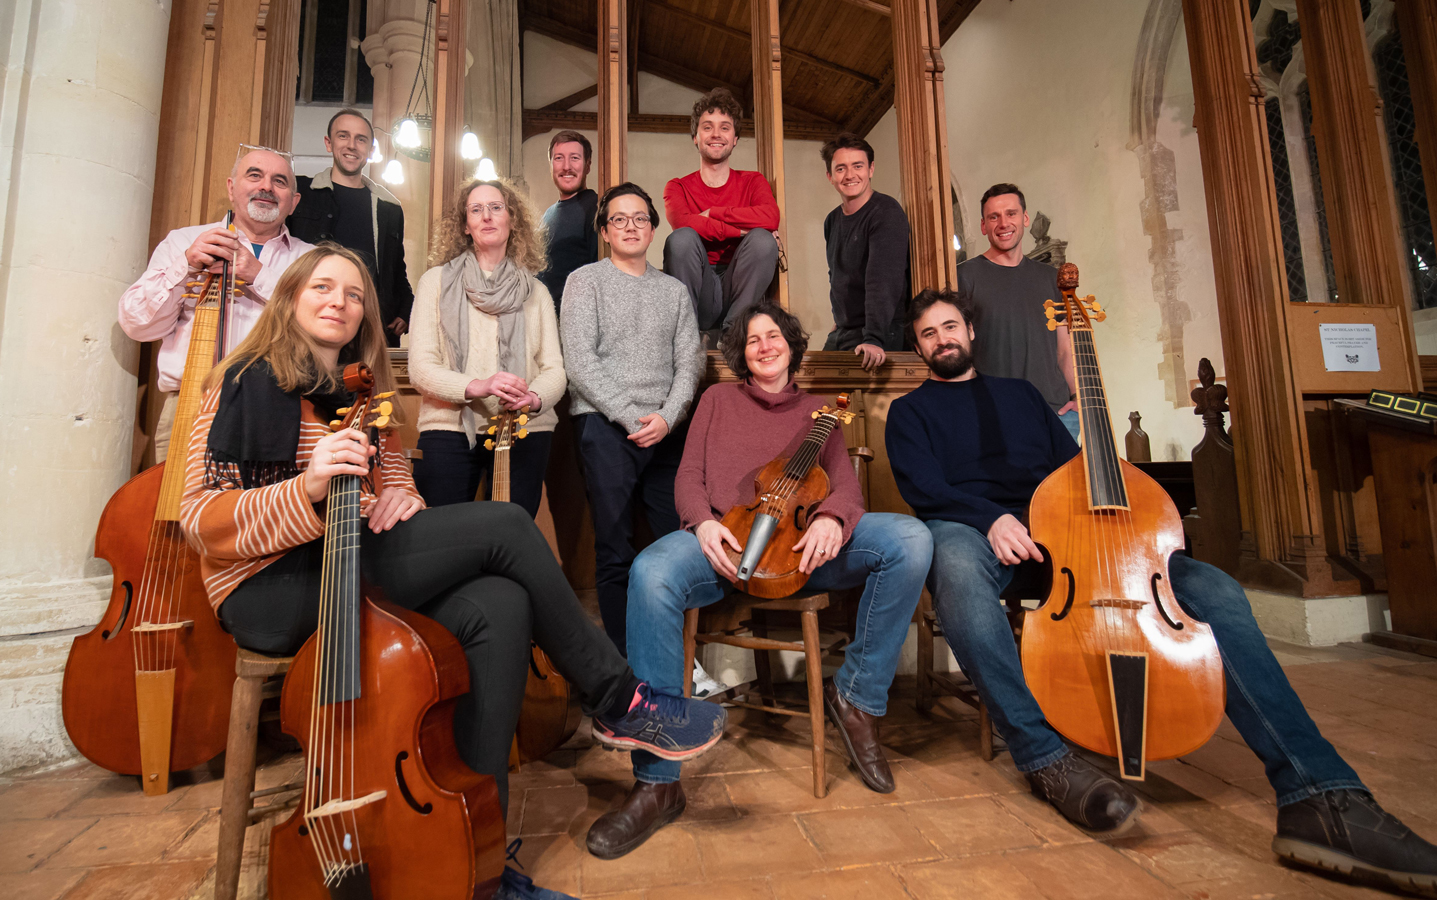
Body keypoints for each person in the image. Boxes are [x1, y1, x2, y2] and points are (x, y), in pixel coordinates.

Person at [179, 243, 726, 858]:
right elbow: (199, 520)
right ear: (290, 298)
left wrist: (402, 501)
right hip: (268, 589)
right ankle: (619, 699)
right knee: (507, 525)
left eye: (355, 294)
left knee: (500, 603)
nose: (341, 302)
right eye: (323, 289)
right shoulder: (239, 382)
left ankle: (478, 856)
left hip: (351, 563)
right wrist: (306, 488)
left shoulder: (364, 397)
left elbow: (396, 485)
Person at [885, 288, 1437, 896]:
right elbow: (924, 488)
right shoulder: (911, 413)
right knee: (957, 572)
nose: (943, 339)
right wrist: (991, 517)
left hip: (1061, 531)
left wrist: (1103, 521)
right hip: (975, 529)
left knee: (1215, 590)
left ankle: (1318, 794)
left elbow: (1077, 467)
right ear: (918, 347)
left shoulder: (1019, 396)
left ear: (971, 331)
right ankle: (1045, 757)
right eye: (929, 333)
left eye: (950, 326)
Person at [586, 302, 932, 860]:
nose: (765, 345)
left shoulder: (822, 412)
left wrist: (830, 517)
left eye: (774, 336)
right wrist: (701, 524)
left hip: (802, 547)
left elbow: (845, 488)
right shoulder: (717, 400)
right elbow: (689, 478)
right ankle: (657, 782)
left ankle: (858, 700)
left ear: (792, 346)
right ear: (740, 355)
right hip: (726, 543)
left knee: (912, 541)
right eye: (752, 341)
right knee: (650, 571)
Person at [561, 183, 702, 653]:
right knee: (615, 548)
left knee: (678, 544)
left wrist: (667, 417)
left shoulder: (675, 291)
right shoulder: (585, 281)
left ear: (652, 227)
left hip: (668, 432)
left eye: (639, 218)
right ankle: (626, 663)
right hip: (605, 426)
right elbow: (579, 362)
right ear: (604, 230)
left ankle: (679, 656)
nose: (630, 226)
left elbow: (691, 363)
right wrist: (627, 416)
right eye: (619, 219)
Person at [120, 146, 314, 462]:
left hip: (281, 412)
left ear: (293, 202)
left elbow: (323, 328)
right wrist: (185, 267)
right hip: (190, 406)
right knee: (180, 512)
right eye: (254, 175)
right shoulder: (183, 242)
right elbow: (137, 325)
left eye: (279, 181)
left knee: (264, 512)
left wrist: (258, 276)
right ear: (231, 187)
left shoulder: (311, 259)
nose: (266, 186)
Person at [406, 178, 564, 518]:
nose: (487, 217)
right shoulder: (434, 283)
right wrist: (478, 386)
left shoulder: (536, 292)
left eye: (496, 208)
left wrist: (533, 398)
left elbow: (554, 369)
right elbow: (420, 367)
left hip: (524, 428)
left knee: (512, 539)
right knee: (441, 539)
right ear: (465, 224)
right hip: (448, 427)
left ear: (512, 220)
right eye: (476, 210)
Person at [955, 184, 1079, 441]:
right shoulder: (965, 276)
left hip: (1057, 413)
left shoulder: (1050, 278)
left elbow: (1065, 348)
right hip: (995, 413)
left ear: (1024, 218)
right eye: (993, 217)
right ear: (983, 226)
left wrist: (1078, 397)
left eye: (1011, 214)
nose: (1003, 223)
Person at [662, 87, 780, 345]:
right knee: (681, 239)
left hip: (739, 286)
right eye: (707, 127)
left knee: (763, 241)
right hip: (698, 283)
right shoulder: (677, 187)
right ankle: (687, 339)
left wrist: (714, 213)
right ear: (695, 136)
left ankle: (734, 335)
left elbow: (770, 218)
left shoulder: (753, 181)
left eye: (725, 127)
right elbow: (684, 223)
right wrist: (739, 231)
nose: (716, 134)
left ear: (735, 137)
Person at [286, 108, 413, 348]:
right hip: (311, 326)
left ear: (371, 150)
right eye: (343, 136)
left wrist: (406, 309)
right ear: (328, 143)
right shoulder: (301, 193)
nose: (352, 145)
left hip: (373, 330)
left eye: (361, 139)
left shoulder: (389, 207)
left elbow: (396, 270)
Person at [820, 133, 910, 371]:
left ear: (871, 169)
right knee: (814, 397)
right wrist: (838, 320)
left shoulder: (886, 212)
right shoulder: (832, 220)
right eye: (840, 168)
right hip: (844, 331)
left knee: (852, 406)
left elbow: (883, 280)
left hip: (880, 333)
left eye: (857, 166)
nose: (850, 175)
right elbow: (837, 276)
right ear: (830, 176)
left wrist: (874, 338)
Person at [537, 130, 598, 313]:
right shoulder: (549, 214)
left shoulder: (596, 208)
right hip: (545, 319)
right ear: (551, 166)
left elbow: (600, 274)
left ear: (587, 165)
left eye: (575, 158)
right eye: (558, 158)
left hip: (574, 320)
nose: (566, 166)